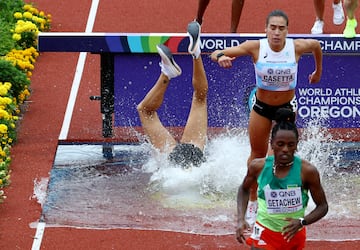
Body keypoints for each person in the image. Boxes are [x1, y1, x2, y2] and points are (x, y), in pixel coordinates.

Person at [210, 9, 323, 226]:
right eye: (273, 28)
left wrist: (318, 72)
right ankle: (253, 201)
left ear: (287, 31)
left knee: (276, 159)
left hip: (286, 109)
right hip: (261, 107)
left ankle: (279, 202)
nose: (277, 33)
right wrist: (221, 57)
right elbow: (215, 53)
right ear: (266, 29)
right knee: (257, 155)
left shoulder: (296, 47)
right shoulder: (256, 47)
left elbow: (316, 45)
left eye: (281, 28)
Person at [236, 108, 328, 249]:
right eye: (280, 144)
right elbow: (243, 189)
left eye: (290, 145)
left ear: (296, 145)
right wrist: (241, 219)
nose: (285, 149)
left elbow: (323, 206)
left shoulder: (307, 171)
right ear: (272, 144)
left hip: (293, 235)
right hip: (263, 232)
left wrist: (302, 221)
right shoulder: (258, 166)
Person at [137, 21, 208, 168]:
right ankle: (172, 70)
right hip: (186, 162)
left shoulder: (171, 180)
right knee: (146, 111)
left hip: (183, 161)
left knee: (199, 98)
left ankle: (193, 55)